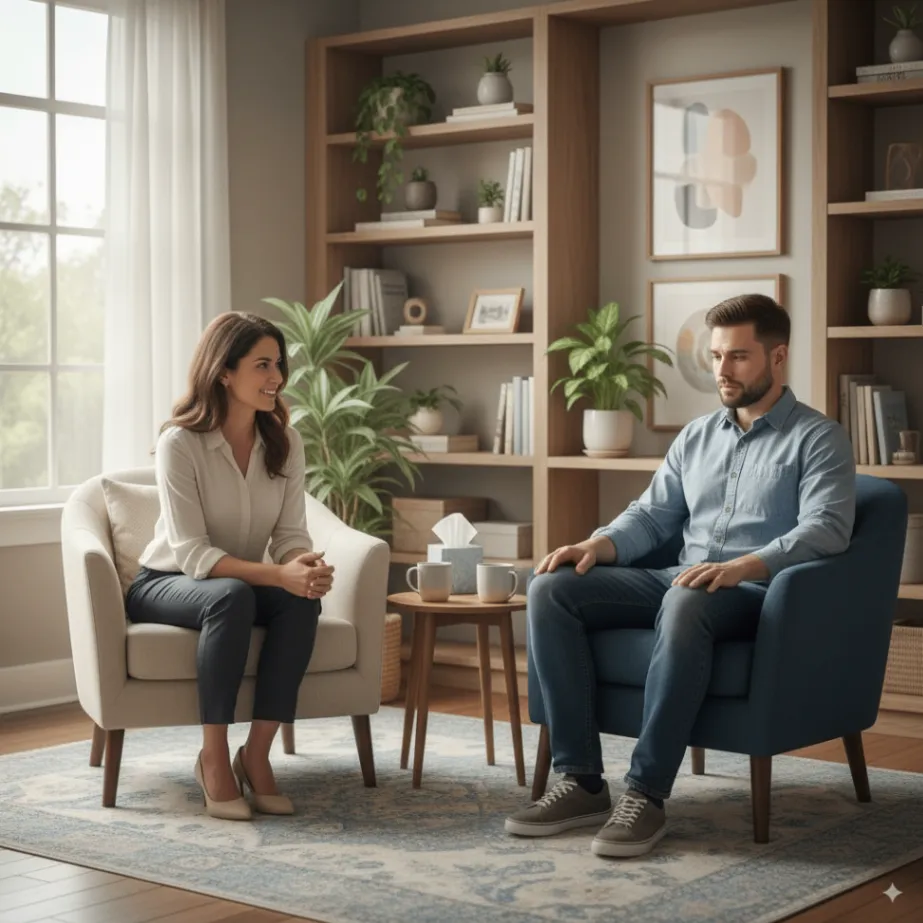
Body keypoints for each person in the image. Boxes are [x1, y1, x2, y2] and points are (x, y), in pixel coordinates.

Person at [505, 294, 856, 857]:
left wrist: (745, 564)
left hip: (756, 593)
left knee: (687, 601)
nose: (721, 370)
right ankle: (581, 781)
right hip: (679, 577)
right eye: (716, 356)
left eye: (738, 356)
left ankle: (646, 792)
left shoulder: (818, 439)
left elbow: (827, 529)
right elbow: (651, 515)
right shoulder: (696, 437)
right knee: (553, 587)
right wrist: (596, 543)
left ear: (778, 356)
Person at [126, 312, 334, 821]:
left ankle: (256, 754)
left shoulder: (285, 442)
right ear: (224, 372)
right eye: (262, 365)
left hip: (233, 582)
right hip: (166, 582)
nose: (277, 378)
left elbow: (288, 535)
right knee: (232, 596)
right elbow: (194, 556)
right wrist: (277, 573)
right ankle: (213, 757)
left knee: (301, 599)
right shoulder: (181, 443)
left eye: (279, 365)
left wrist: (299, 567)